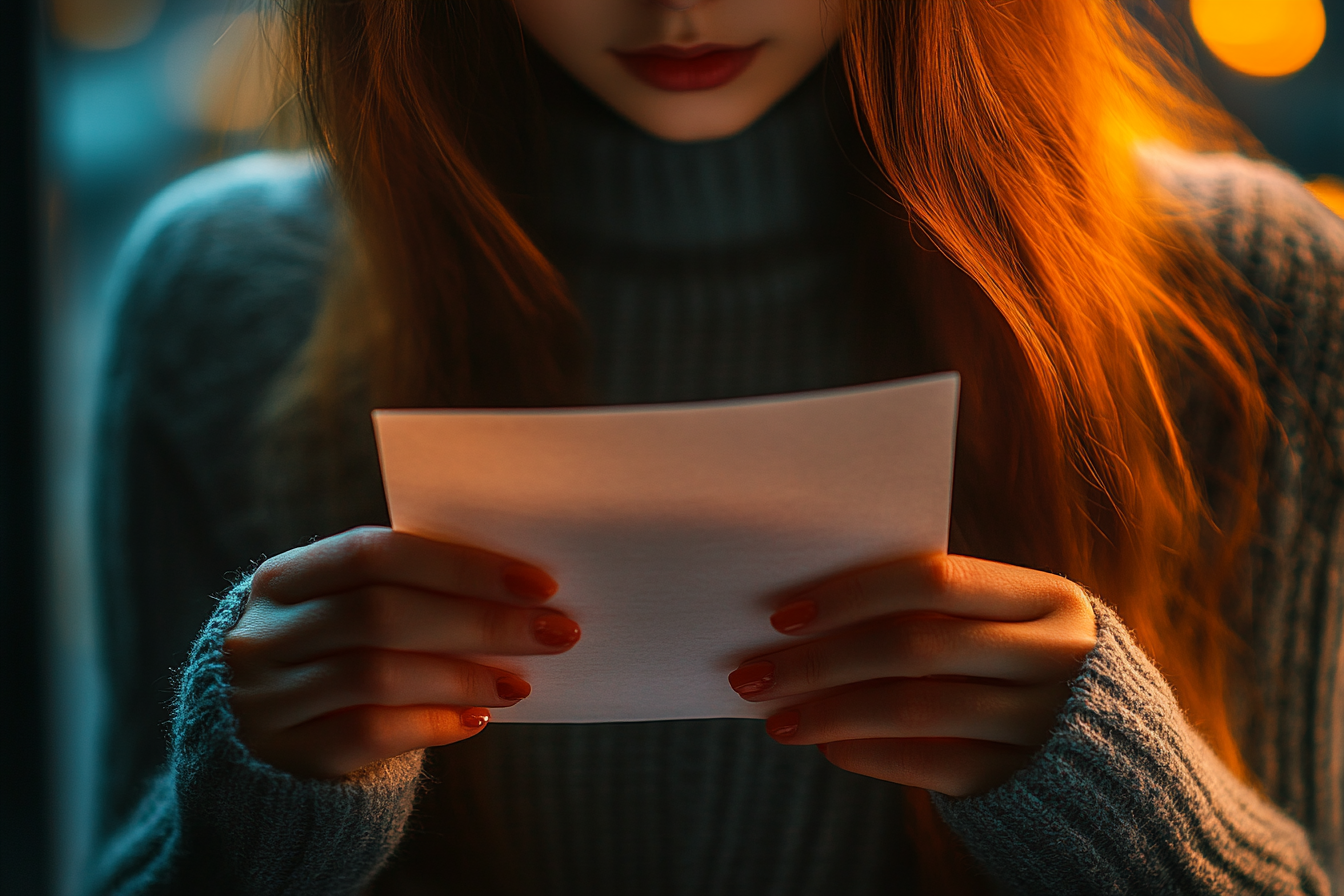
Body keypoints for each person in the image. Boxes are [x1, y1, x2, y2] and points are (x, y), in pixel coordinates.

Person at [89, 1, 1344, 893]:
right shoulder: (224, 290)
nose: (679, 5)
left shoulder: (1250, 294)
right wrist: (262, 795)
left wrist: (1114, 794)